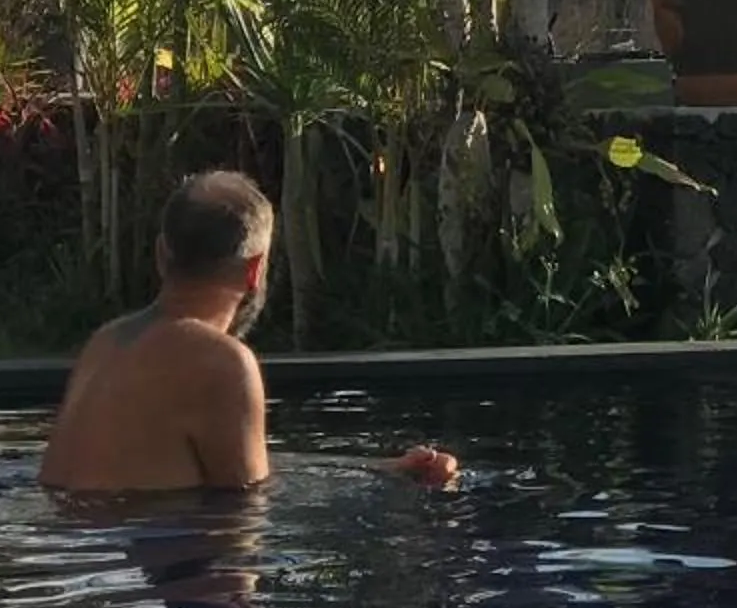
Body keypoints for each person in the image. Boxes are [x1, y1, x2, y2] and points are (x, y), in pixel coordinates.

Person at [39, 169, 460, 494]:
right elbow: (248, 503)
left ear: (161, 252)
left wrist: (381, 472)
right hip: (154, 561)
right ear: (255, 269)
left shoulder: (107, 340)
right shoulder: (221, 362)